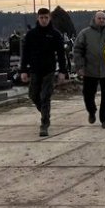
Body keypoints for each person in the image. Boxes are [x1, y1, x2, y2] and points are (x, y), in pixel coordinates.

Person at [20, 8, 68, 137]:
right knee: (33, 95)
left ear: (49, 18)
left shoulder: (55, 34)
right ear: (38, 18)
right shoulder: (31, 35)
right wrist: (23, 70)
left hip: (49, 70)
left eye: (46, 17)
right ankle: (45, 113)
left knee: (45, 97)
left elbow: (61, 54)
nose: (44, 20)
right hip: (35, 70)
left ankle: (44, 124)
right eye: (41, 18)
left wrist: (63, 71)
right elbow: (25, 54)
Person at [73, 11, 105, 128]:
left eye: (103, 18)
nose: (101, 20)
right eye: (99, 18)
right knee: (88, 95)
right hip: (90, 70)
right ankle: (91, 111)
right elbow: (77, 50)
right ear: (94, 19)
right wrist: (80, 66)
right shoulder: (85, 33)